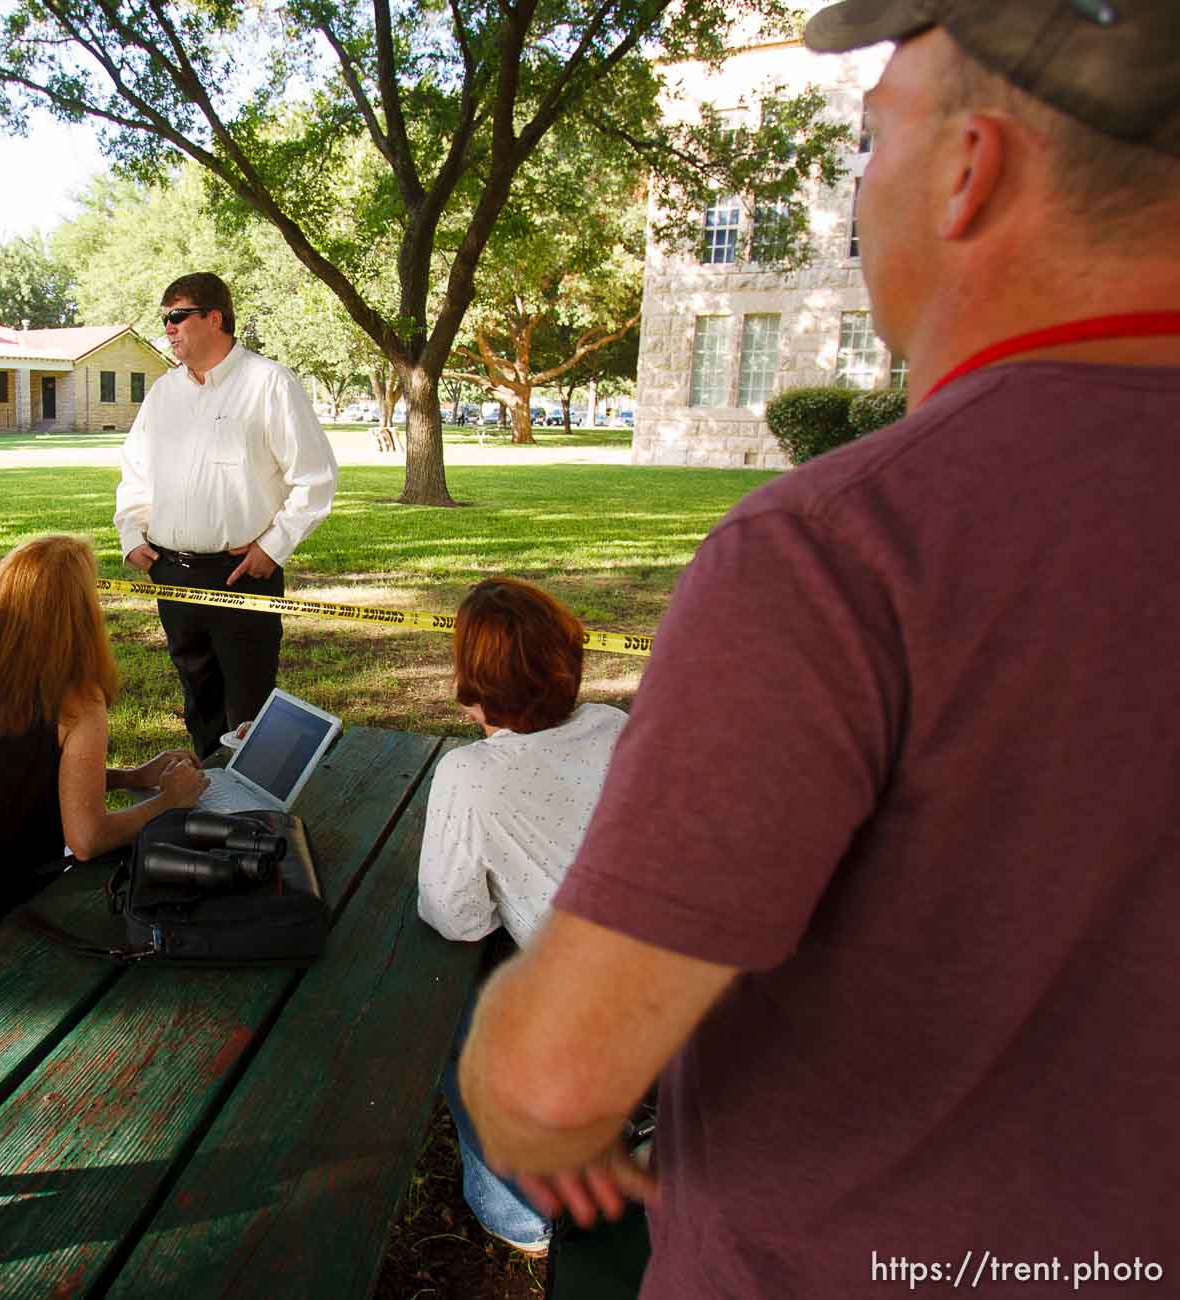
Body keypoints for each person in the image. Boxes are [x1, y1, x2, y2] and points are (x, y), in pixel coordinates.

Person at [458, 5, 1180, 1297]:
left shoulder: (842, 553)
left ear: (971, 169)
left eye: (866, 145)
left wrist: (519, 1086)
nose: (857, 198)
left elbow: (547, 1083)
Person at [417, 579, 627, 1257]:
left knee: (455, 1014)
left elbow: (456, 919)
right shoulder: (615, 726)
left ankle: (521, 1212)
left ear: (473, 679)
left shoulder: (470, 774)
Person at [0, 535, 207, 971]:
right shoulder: (77, 704)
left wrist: (130, 777)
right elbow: (87, 840)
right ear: (76, 614)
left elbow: (14, 772)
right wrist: (169, 802)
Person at [114, 272, 339, 757]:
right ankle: (210, 795)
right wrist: (132, 535)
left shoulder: (269, 383)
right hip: (171, 571)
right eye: (165, 320)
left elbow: (316, 478)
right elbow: (136, 471)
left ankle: (255, 817)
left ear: (214, 317)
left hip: (241, 573)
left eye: (177, 317)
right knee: (198, 699)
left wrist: (272, 548)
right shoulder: (164, 393)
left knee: (250, 708)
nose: (169, 329)